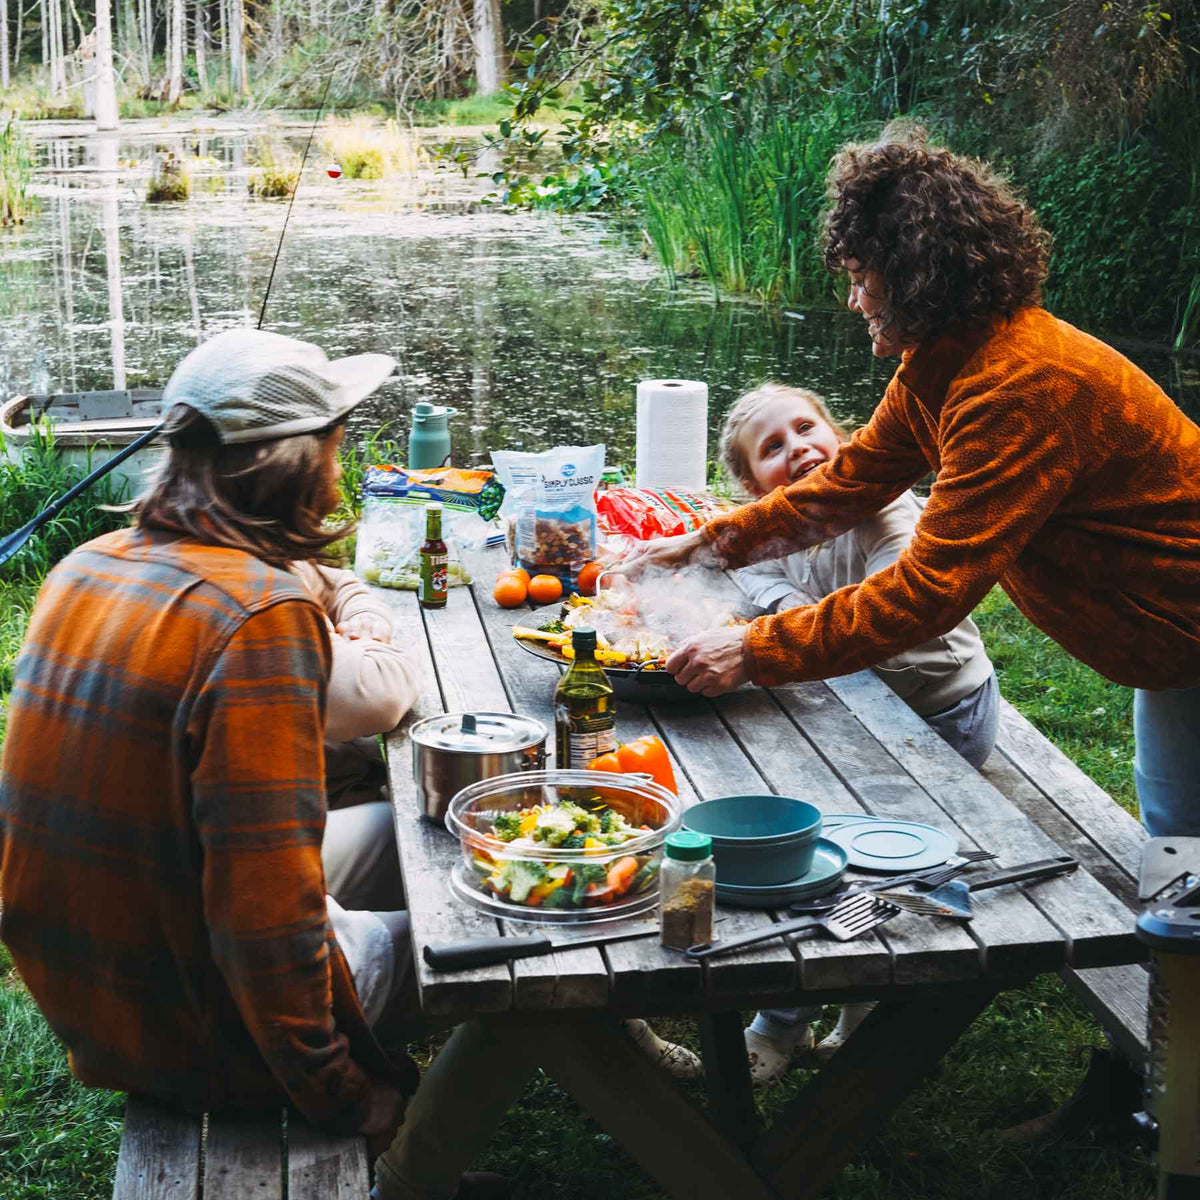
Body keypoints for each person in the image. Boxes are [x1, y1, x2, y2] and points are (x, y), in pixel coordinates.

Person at [0, 329, 531, 1200]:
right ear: (300, 461)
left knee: (426, 838)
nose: (342, 459)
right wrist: (342, 1091)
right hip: (191, 1014)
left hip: (95, 981)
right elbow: (265, 918)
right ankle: (413, 1169)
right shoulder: (260, 621)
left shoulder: (87, 565)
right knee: (521, 944)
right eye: (337, 439)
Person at [624, 131, 1200, 842]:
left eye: (863, 276)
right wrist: (704, 547)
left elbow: (927, 591)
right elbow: (847, 483)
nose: (853, 295)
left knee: (1187, 842)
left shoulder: (1019, 386)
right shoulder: (947, 361)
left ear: (916, 276)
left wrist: (754, 649)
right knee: (1181, 837)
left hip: (1186, 615)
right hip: (1169, 642)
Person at [718, 380, 1000, 1082]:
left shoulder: (888, 515)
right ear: (755, 484)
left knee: (858, 853)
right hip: (850, 701)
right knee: (791, 828)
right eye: (773, 449)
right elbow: (752, 584)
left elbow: (890, 633)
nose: (799, 450)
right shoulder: (775, 525)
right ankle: (803, 1010)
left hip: (939, 714)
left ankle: (826, 1012)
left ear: (840, 437)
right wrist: (789, 607)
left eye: (808, 429)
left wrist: (789, 627)